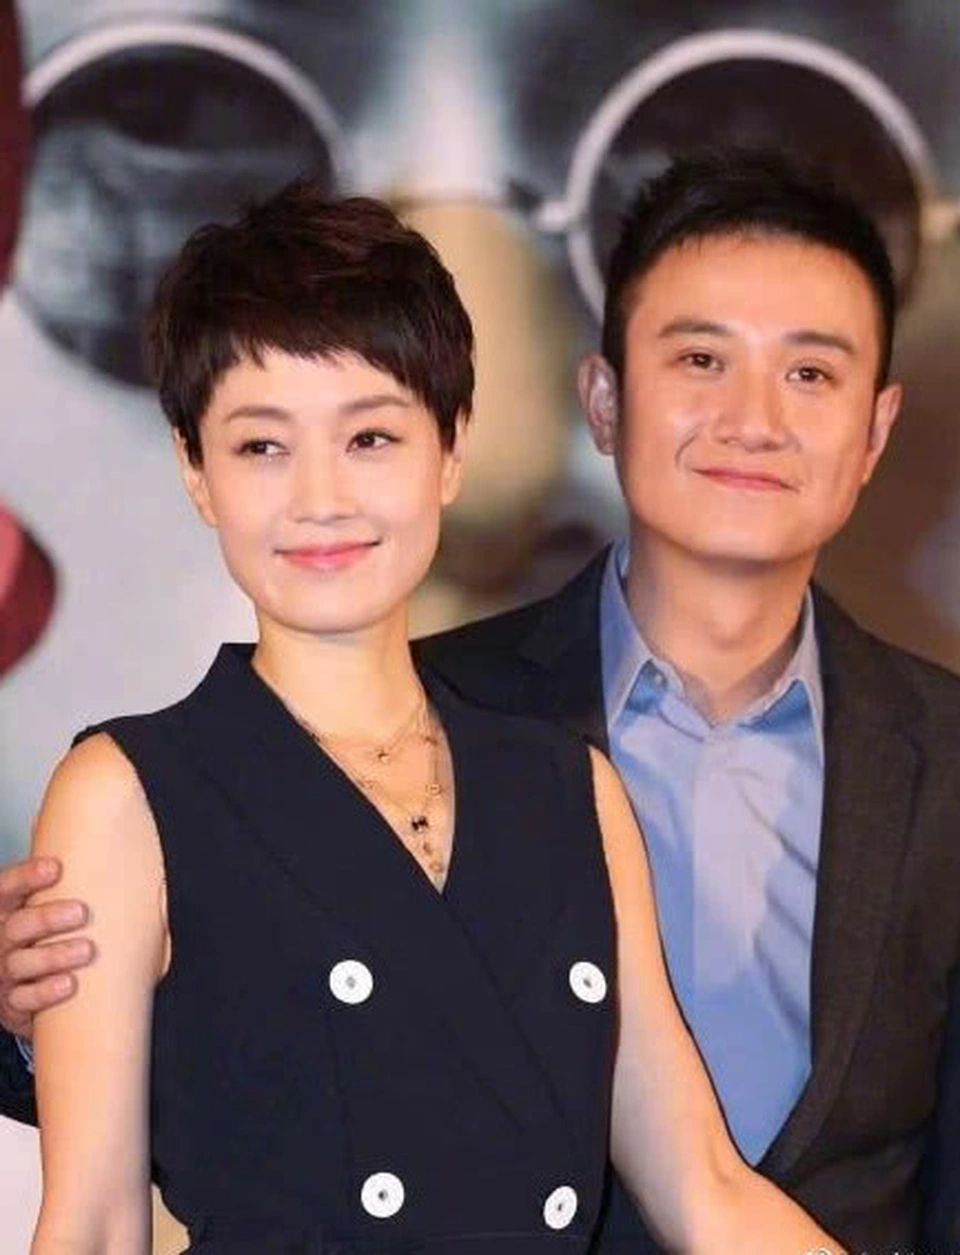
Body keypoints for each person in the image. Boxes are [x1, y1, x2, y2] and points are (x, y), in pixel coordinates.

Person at [1, 152, 956, 1251]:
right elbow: (93, 1220)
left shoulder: (565, 787)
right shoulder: (126, 791)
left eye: (371, 437)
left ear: (451, 449)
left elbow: (703, 1184)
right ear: (194, 469)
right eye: (262, 444)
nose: (321, 498)